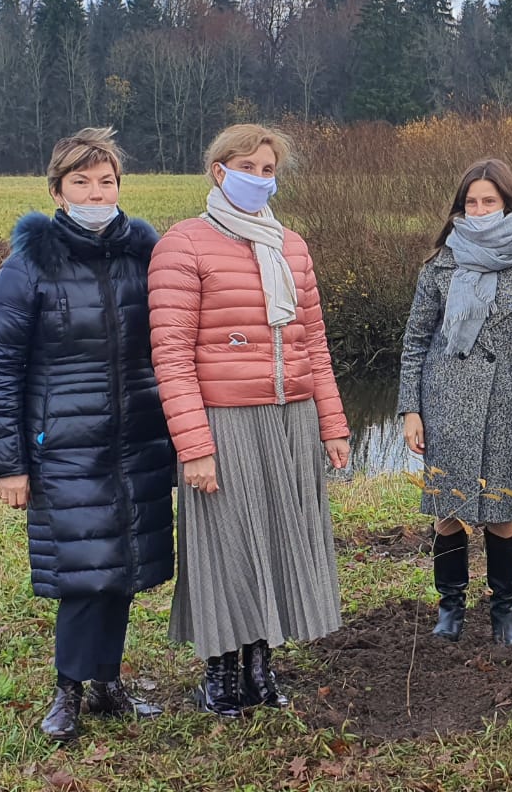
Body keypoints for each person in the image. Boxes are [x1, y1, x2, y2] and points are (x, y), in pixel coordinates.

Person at [0, 128, 174, 742]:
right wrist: (9, 464)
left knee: (126, 563)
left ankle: (108, 681)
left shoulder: (145, 253)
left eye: (106, 181)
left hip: (137, 434)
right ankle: (68, 689)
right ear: (58, 192)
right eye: (81, 182)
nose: (96, 192)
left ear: (120, 185)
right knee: (83, 570)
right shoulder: (30, 263)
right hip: (62, 442)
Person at [148, 124, 350, 716]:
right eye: (249, 167)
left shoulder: (292, 246)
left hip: (292, 415)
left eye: (269, 170)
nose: (261, 179)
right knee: (224, 544)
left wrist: (332, 424)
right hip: (224, 419)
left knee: (278, 538)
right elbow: (172, 355)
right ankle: (220, 675)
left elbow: (314, 342)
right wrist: (195, 446)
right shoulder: (183, 245)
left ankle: (260, 667)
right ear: (219, 171)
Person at [397, 159, 512, 646]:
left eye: (490, 200)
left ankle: (503, 610)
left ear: (509, 204)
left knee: (502, 511)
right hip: (443, 400)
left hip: (506, 405)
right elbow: (416, 340)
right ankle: (450, 607)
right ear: (459, 208)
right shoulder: (440, 264)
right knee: (447, 509)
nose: (480, 209)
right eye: (472, 202)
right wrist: (411, 408)